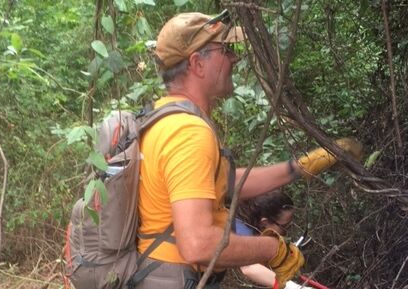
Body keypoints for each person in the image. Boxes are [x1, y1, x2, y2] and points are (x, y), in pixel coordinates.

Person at [135, 11, 362, 289]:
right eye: (226, 50)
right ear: (197, 63)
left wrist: (302, 166)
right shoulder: (187, 133)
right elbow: (198, 245)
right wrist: (272, 249)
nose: (235, 58)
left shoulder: (161, 119)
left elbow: (226, 182)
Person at [236, 190, 314, 289]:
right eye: (284, 226)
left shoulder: (251, 222)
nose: (286, 232)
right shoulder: (240, 229)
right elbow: (249, 267)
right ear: (264, 223)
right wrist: (291, 287)